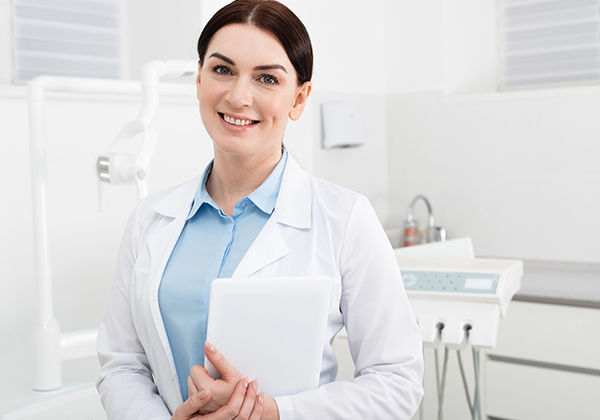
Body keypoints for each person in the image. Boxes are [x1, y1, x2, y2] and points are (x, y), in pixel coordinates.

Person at [96, 1, 424, 419]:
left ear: (298, 99)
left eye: (267, 78)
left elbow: (396, 381)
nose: (238, 96)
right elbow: (122, 365)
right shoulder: (150, 218)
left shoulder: (345, 219)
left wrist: (274, 412)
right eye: (222, 69)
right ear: (199, 79)